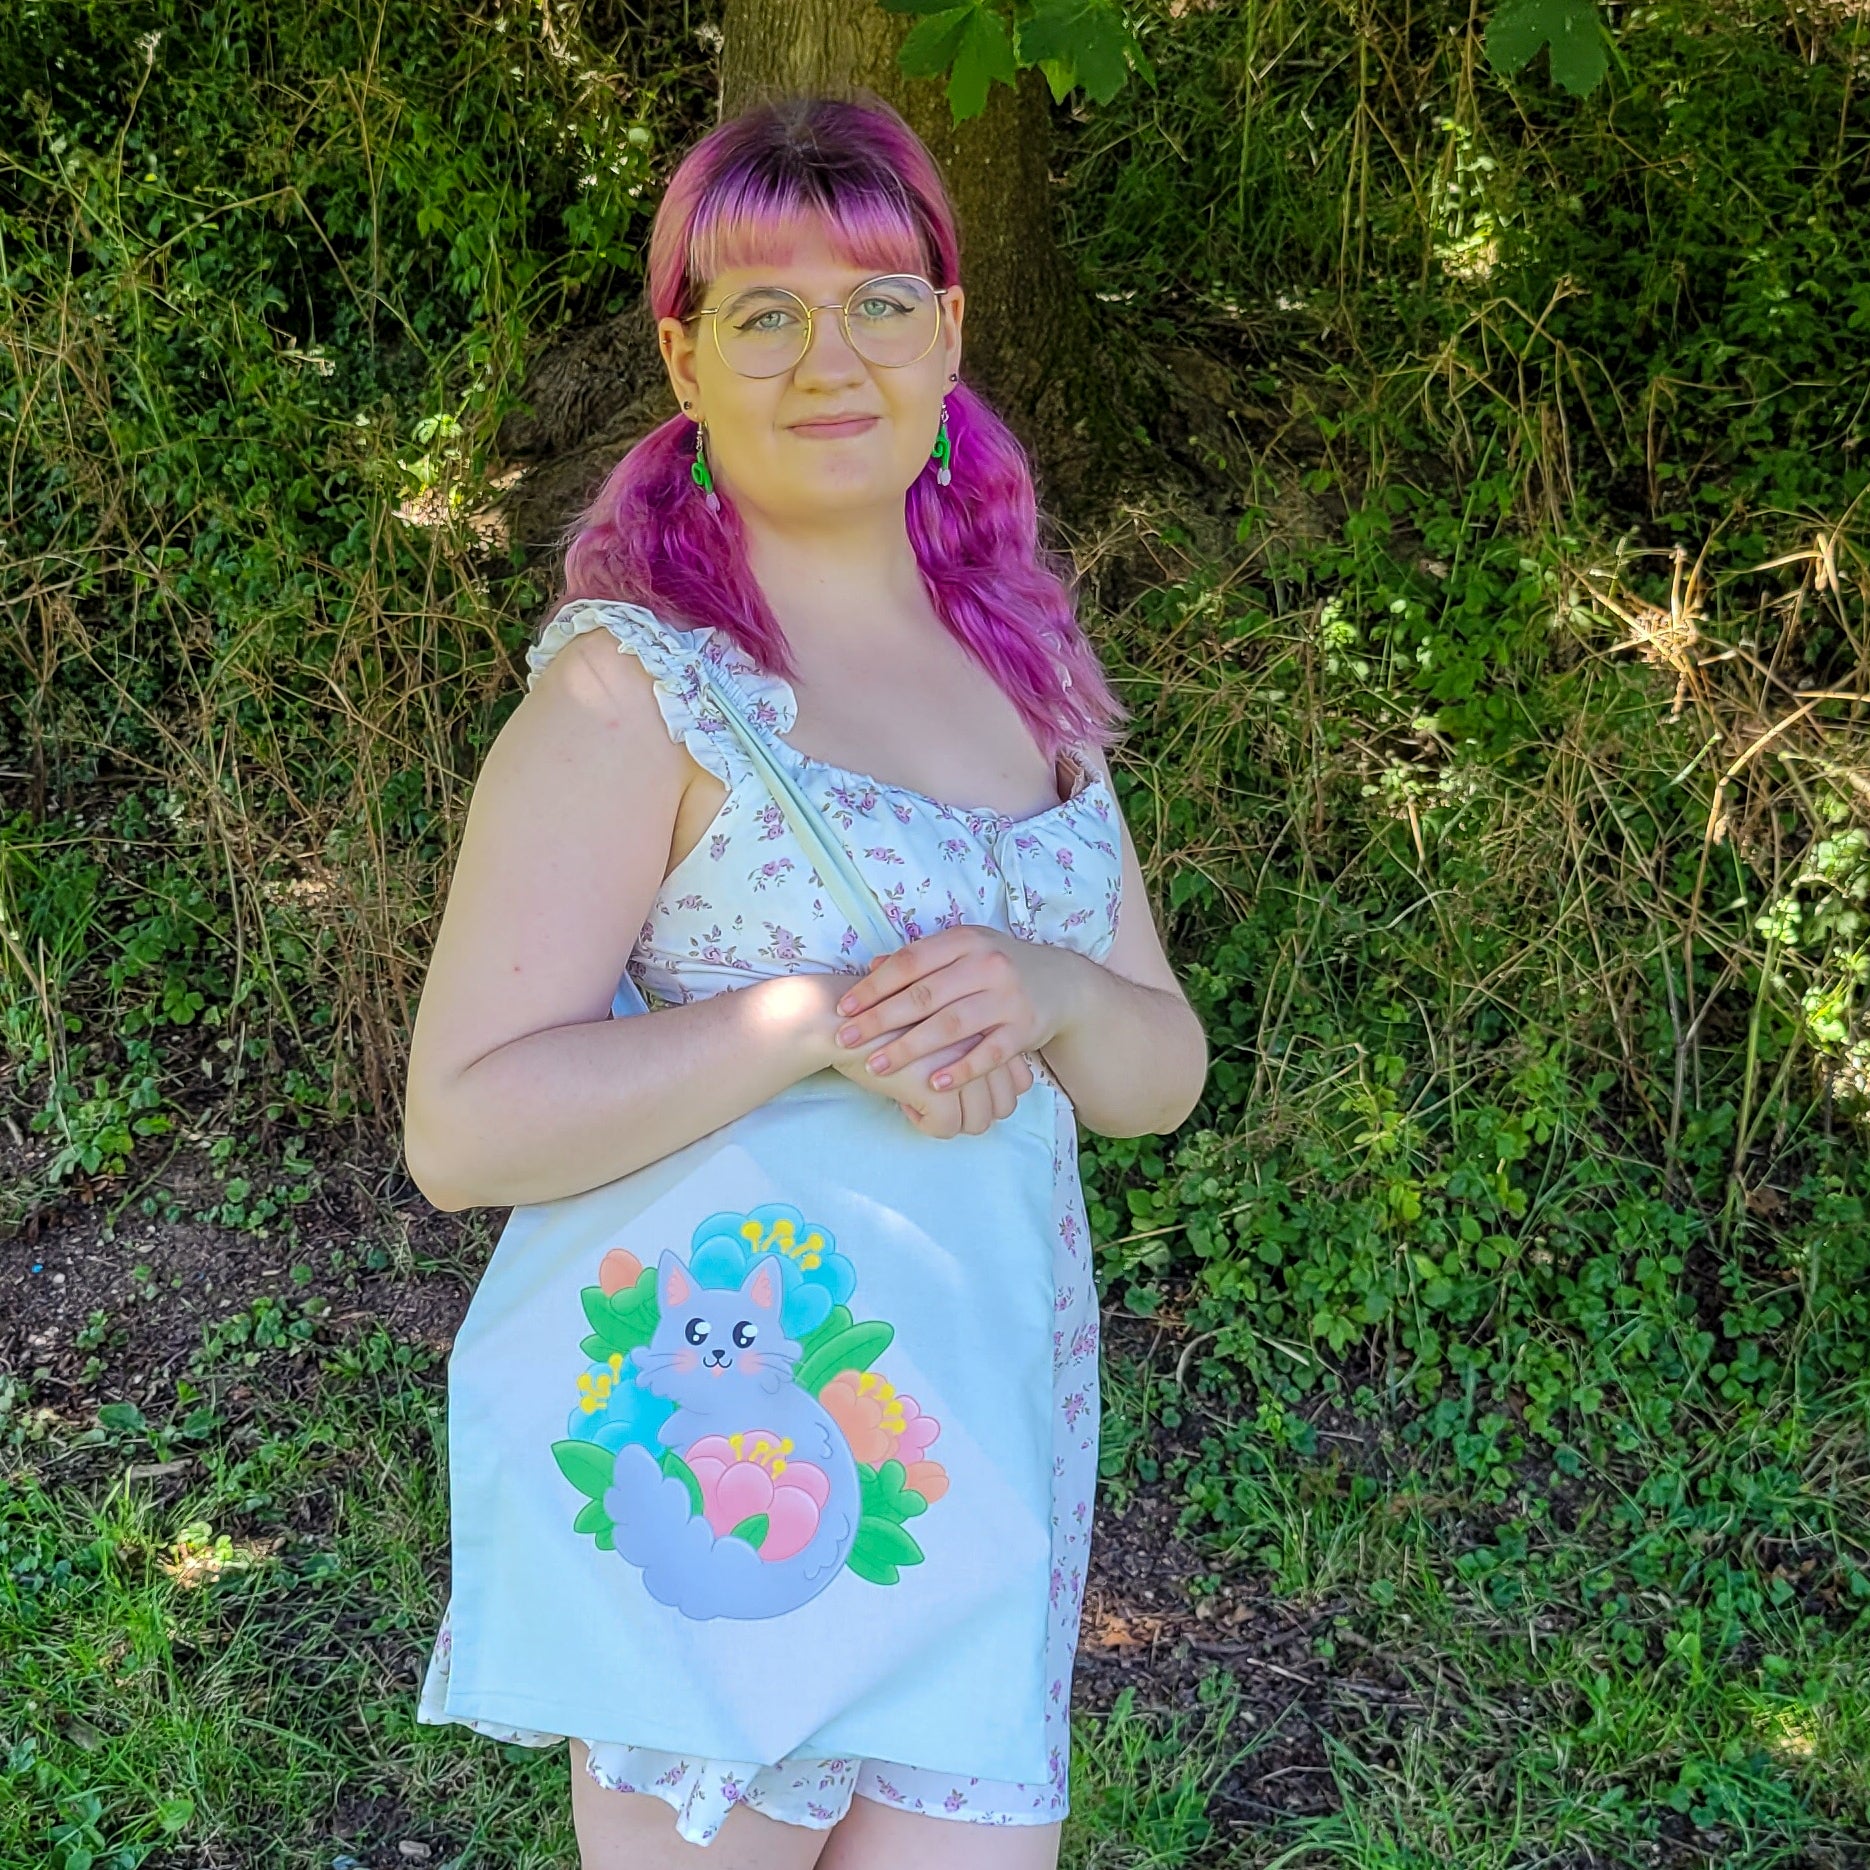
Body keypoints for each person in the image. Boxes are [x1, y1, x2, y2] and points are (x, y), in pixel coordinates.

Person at [402, 93, 1208, 1870]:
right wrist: (811, 1025)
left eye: (878, 302)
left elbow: (1157, 1069)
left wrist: (1049, 992)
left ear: (950, 337)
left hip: (976, 1471)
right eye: (762, 311)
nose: (826, 355)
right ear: (684, 360)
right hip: (729, 1467)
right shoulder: (638, 693)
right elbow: (460, 1125)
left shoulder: (1030, 679)